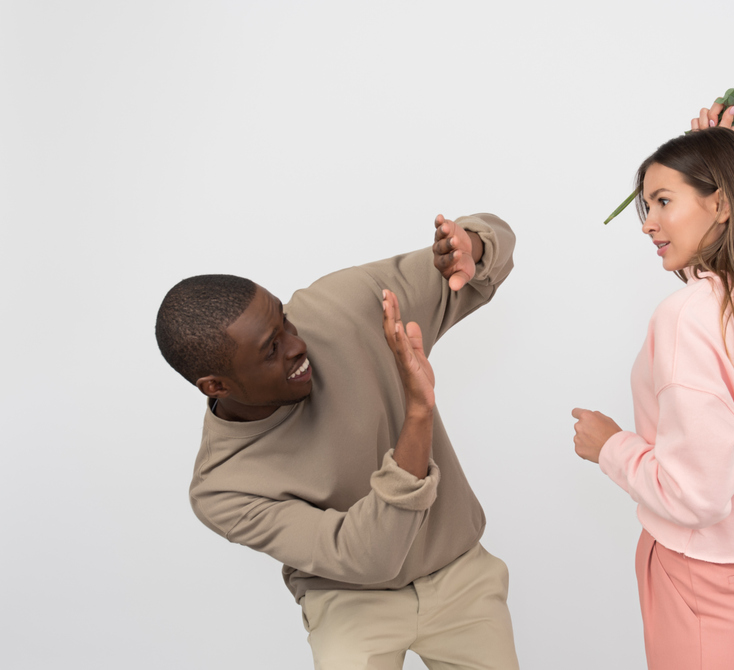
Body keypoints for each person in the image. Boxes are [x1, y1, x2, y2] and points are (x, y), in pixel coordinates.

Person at [156, 213, 519, 670]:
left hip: (459, 575)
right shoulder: (222, 487)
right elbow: (369, 557)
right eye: (271, 349)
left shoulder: (343, 304)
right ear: (216, 386)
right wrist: (418, 412)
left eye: (285, 321)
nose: (297, 345)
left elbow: (484, 263)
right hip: (350, 603)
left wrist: (473, 246)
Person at [571, 103, 734, 670]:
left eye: (663, 202)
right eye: (647, 204)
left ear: (721, 203)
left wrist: (609, 445)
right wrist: (720, 161)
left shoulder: (686, 318)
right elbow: (720, 288)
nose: (646, 222)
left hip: (701, 588)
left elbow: (698, 497)